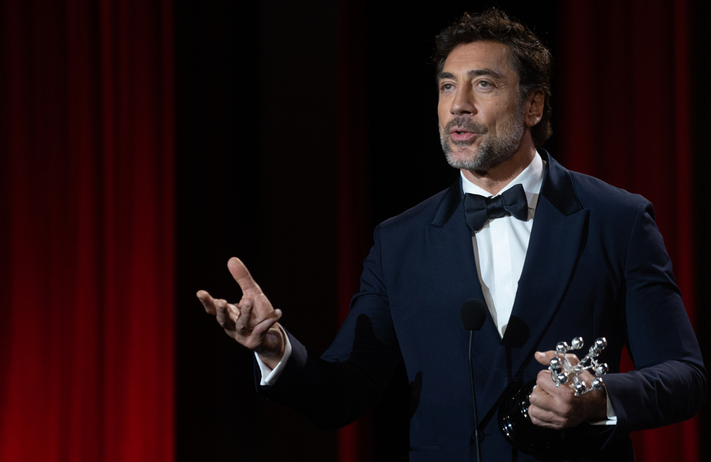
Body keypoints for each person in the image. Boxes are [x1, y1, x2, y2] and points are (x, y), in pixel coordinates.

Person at [197, 8, 707, 461]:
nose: (458, 104)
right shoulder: (399, 241)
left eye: (483, 84)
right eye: (446, 86)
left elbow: (685, 376)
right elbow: (342, 393)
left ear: (533, 106)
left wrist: (599, 396)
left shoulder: (617, 218)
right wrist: (274, 347)